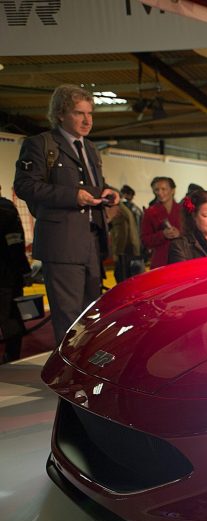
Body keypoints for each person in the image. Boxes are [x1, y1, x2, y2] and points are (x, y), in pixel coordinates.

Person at [13, 84, 120, 344]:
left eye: (90, 113)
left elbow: (92, 185)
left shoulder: (91, 149)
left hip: (92, 244)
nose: (87, 120)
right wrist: (72, 196)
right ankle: (67, 378)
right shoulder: (40, 144)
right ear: (60, 114)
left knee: (91, 315)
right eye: (79, 113)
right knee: (68, 317)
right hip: (61, 245)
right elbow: (25, 186)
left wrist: (108, 193)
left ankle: (86, 370)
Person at [0, 184, 30, 363]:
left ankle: (11, 355)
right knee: (12, 316)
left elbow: (14, 243)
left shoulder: (5, 209)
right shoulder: (7, 208)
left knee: (10, 316)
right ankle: (12, 354)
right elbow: (16, 243)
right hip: (10, 274)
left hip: (6, 276)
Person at [140, 176, 181, 269]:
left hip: (182, 258)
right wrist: (162, 235)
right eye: (156, 190)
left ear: (172, 190)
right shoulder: (149, 213)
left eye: (164, 189)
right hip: (160, 261)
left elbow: (192, 235)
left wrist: (180, 233)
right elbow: (145, 240)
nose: (160, 193)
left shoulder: (183, 211)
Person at [105, 192, 143, 283]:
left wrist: (117, 254)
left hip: (124, 252)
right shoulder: (127, 209)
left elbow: (121, 235)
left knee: (123, 279)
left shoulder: (119, 211)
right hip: (130, 251)